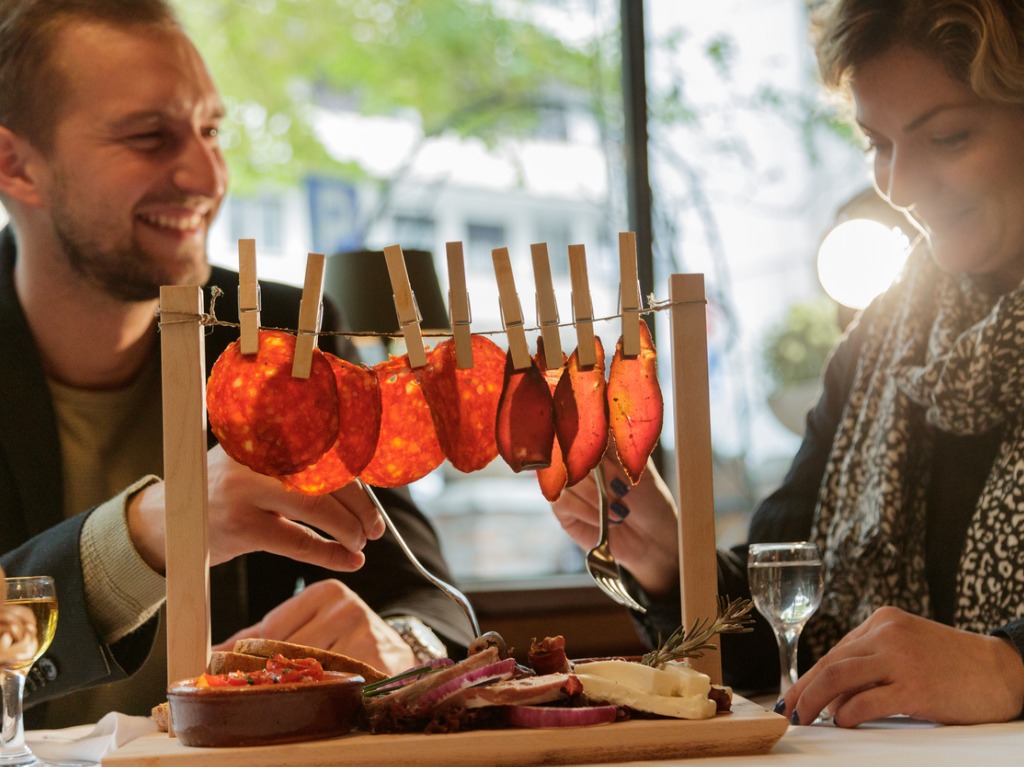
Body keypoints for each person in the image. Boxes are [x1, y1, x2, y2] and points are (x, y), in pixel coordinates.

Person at [0, 0, 473, 728]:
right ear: (16, 166)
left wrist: (400, 645)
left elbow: (425, 593)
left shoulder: (287, 335)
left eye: (211, 131)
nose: (207, 174)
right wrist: (148, 533)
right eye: (149, 136)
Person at [553, 0, 1024, 728]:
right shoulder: (883, 342)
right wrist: (676, 567)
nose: (896, 185)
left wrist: (1009, 667)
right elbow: (790, 643)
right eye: (878, 143)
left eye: (948, 136)